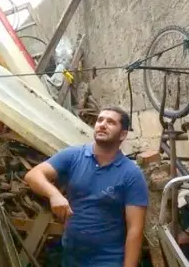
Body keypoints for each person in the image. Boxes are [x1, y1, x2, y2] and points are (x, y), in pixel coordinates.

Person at [24, 106, 148, 267]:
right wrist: (54, 194)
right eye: (100, 120)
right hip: (71, 256)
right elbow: (33, 175)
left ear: (123, 134)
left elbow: (135, 230)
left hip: (107, 260)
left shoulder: (131, 174)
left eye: (111, 122)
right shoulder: (73, 156)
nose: (102, 124)